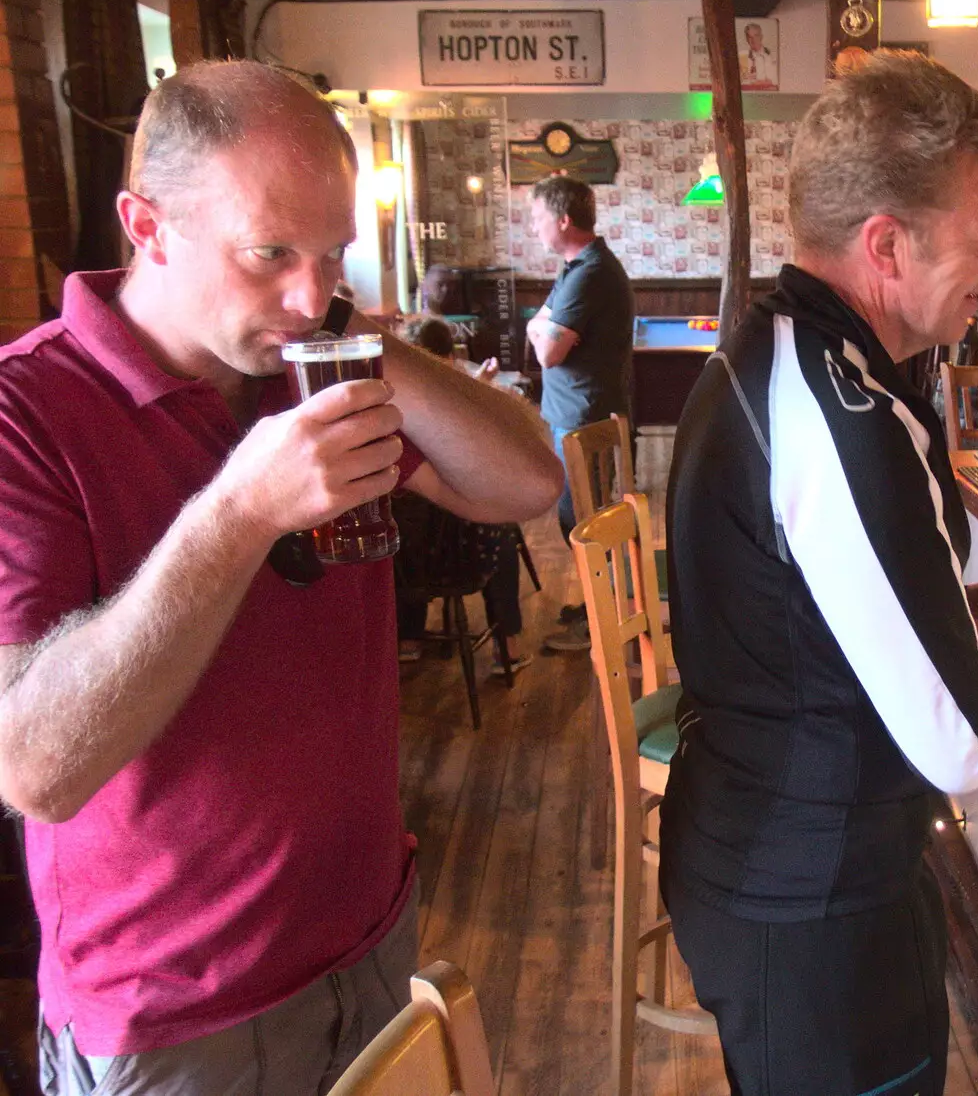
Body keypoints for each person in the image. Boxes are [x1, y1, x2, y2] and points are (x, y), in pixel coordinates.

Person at [0, 60, 562, 1095]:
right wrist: (239, 511)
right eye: (269, 252)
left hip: (369, 934)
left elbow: (526, 481)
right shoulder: (24, 414)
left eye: (333, 253)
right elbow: (35, 765)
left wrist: (357, 337)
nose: (308, 293)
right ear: (148, 224)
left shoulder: (309, 365)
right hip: (176, 1008)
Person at [661, 50, 978, 1096]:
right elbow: (965, 741)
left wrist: (950, 613)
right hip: (810, 899)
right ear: (885, 244)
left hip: (795, 870)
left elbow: (800, 613)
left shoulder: (796, 352)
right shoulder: (840, 410)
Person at [524, 175, 635, 652]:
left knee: (587, 523)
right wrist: (540, 327)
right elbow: (542, 328)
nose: (532, 227)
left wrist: (538, 328)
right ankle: (595, 608)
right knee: (580, 520)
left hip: (585, 419)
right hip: (575, 415)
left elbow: (547, 350)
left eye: (537, 217)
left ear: (563, 219)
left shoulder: (590, 272)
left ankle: (600, 625)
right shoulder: (577, 267)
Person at [397, 315, 524, 669]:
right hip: (466, 560)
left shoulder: (389, 412)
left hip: (404, 565)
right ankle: (508, 645)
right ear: (450, 358)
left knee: (406, 529)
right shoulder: (461, 419)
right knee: (501, 527)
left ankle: (408, 636)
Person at [742, 21, 778, 89]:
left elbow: (775, 81)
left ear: (761, 37)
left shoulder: (772, 56)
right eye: (750, 37)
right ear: (747, 39)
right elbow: (742, 82)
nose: (753, 40)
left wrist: (755, 82)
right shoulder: (743, 57)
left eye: (756, 36)